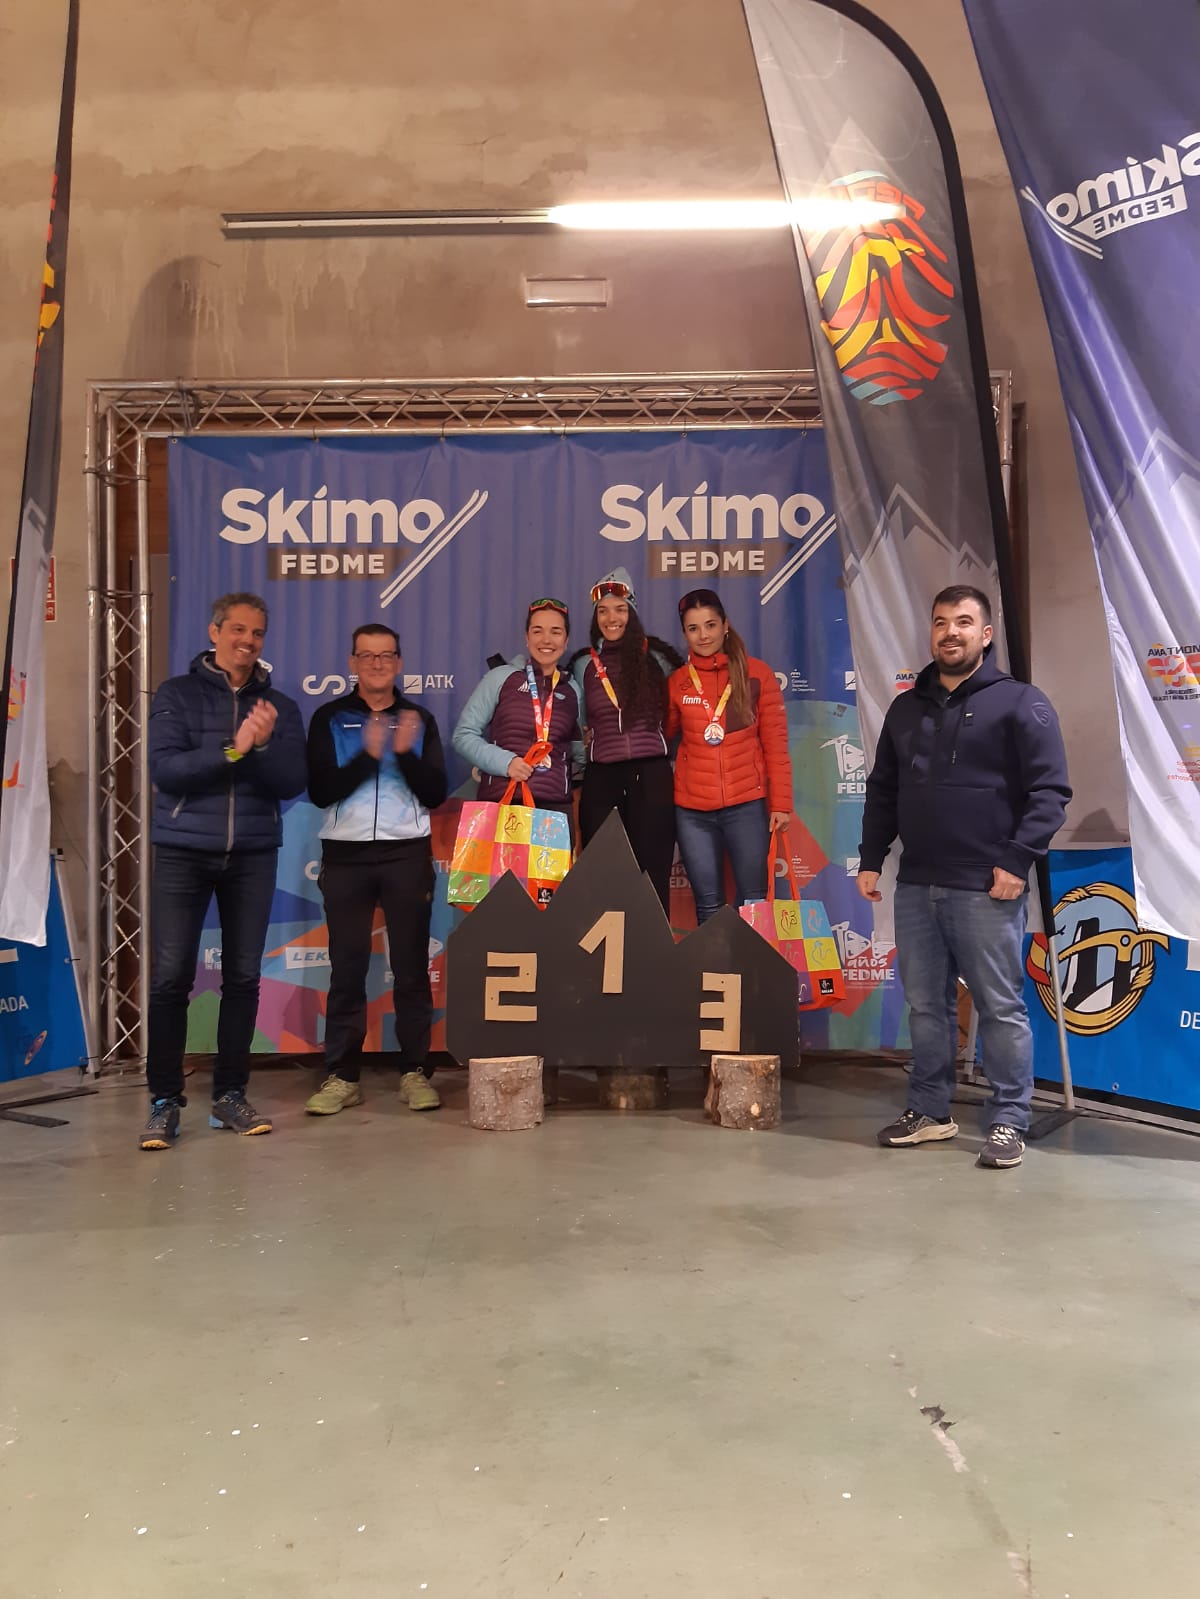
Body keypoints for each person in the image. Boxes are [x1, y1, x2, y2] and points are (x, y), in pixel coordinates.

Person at [857, 585, 1071, 1170]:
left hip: (986, 886)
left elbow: (1050, 792)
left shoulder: (1021, 702)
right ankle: (930, 1111)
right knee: (927, 1007)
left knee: (999, 1008)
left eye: (964, 622)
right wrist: (872, 857)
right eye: (941, 622)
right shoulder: (906, 708)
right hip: (916, 884)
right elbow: (883, 790)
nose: (950, 632)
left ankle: (1008, 1120)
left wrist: (1016, 860)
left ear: (986, 634)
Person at [139, 593, 307, 1150]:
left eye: (257, 633)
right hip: (183, 851)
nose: (247, 641)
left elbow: (291, 782)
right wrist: (234, 750)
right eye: (237, 629)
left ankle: (230, 1095)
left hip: (253, 854)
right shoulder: (176, 694)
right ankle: (164, 1101)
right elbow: (167, 771)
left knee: (243, 978)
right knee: (170, 978)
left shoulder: (279, 706)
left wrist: (261, 746)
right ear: (214, 632)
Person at [304, 623, 448, 1116]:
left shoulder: (418, 719)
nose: (378, 664)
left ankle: (415, 1071)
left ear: (399, 663)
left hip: (407, 853)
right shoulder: (329, 718)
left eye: (386, 655)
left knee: (410, 968)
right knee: (347, 968)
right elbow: (321, 791)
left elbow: (435, 793)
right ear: (353, 663)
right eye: (367, 656)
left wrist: (403, 753)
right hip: (345, 856)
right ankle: (342, 1076)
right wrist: (369, 756)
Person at [665, 588, 792, 922]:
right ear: (685, 634)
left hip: (746, 805)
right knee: (708, 906)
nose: (703, 635)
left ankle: (750, 960)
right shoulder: (678, 682)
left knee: (754, 902)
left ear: (725, 625)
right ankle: (714, 960)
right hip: (693, 812)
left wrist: (780, 804)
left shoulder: (757, 674)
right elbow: (661, 736)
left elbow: (776, 745)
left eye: (710, 625)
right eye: (693, 628)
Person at [570, 568, 682, 911]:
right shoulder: (583, 664)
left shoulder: (657, 659)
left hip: (651, 777)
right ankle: (605, 946)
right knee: (603, 875)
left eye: (619, 609)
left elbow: (678, 713)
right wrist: (587, 751)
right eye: (602, 611)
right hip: (602, 779)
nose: (611, 618)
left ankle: (653, 946)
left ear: (632, 611)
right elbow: (575, 723)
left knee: (653, 876)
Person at [452, 596, 583, 839]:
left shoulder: (573, 690)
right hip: (504, 804)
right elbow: (463, 735)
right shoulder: (501, 678)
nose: (546, 640)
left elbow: (578, 747)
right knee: (498, 867)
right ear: (526, 637)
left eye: (555, 632)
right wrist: (506, 763)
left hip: (554, 812)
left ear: (566, 640)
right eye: (537, 631)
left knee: (556, 868)